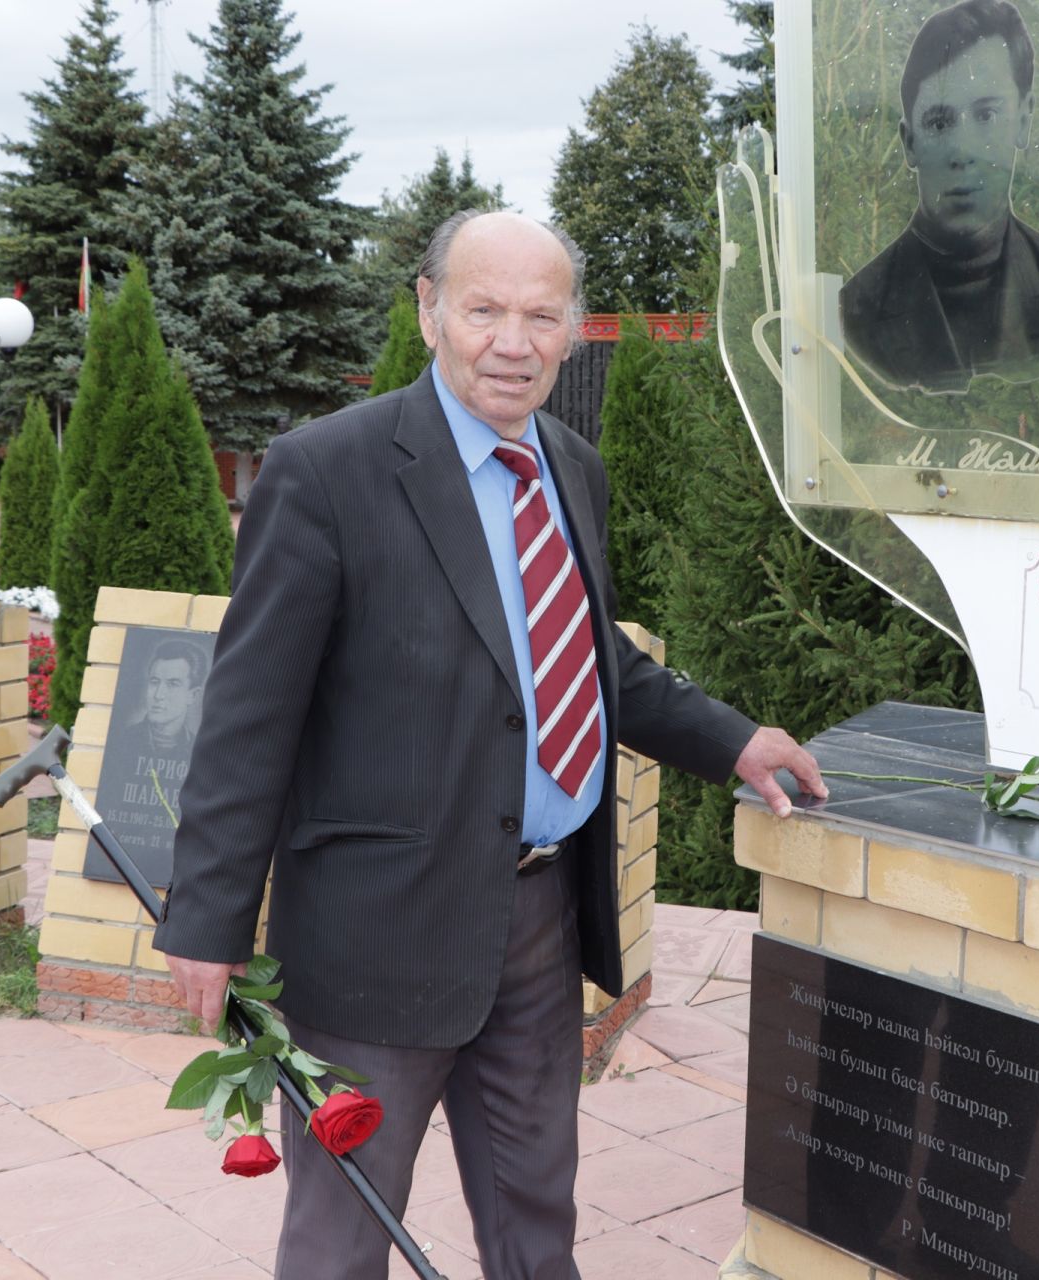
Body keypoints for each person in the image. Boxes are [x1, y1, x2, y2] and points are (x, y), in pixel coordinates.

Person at [153, 209, 828, 1280]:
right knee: (340, 1236)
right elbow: (250, 709)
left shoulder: (570, 464)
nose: (513, 340)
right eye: (484, 309)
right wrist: (209, 914)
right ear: (429, 311)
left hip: (538, 923)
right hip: (377, 934)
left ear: (571, 331)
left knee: (535, 1216)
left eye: (541, 315)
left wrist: (733, 737)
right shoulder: (326, 471)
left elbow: (579, 649)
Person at [840, 0, 1039, 392]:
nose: (962, 150)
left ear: (1023, 120)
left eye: (986, 115)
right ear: (909, 142)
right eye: (938, 122)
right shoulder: (861, 308)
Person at [129, 637, 207, 754]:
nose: (158, 695)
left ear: (193, 695)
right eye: (154, 682)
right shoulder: (123, 740)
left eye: (173, 684)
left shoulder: (200, 750)